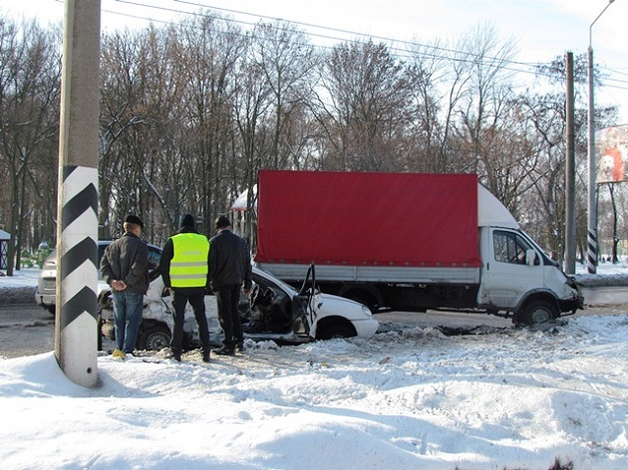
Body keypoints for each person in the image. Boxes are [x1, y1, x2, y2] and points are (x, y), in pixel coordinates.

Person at [160, 214, 211, 362]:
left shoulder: (173, 241)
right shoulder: (204, 241)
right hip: (199, 286)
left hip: (178, 287)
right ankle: (205, 351)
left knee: (178, 319)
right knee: (201, 318)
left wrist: (168, 283)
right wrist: (207, 282)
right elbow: (212, 263)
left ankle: (176, 351)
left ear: (180, 226)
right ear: (194, 226)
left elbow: (163, 264)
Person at [100, 214, 149, 359]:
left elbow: (104, 266)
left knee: (119, 320)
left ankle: (119, 349)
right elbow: (138, 267)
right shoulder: (140, 246)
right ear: (136, 228)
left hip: (116, 290)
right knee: (132, 321)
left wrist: (113, 281)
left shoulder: (112, 246)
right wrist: (126, 282)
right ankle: (128, 351)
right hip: (133, 288)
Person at [209, 215, 252, 355]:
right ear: (229, 226)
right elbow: (247, 263)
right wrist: (247, 283)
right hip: (237, 282)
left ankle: (228, 344)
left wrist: (208, 282)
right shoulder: (240, 242)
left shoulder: (214, 242)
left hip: (221, 283)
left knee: (224, 313)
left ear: (217, 228)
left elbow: (212, 265)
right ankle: (239, 340)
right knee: (234, 311)